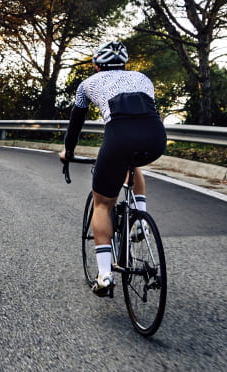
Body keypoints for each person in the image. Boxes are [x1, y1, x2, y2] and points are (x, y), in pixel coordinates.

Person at [60, 41, 167, 297]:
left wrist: (69, 152)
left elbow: (76, 123)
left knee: (103, 204)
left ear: (97, 65)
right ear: (125, 63)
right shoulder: (143, 78)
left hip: (119, 137)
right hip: (155, 138)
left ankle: (105, 274)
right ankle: (140, 218)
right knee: (133, 163)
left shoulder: (87, 85)